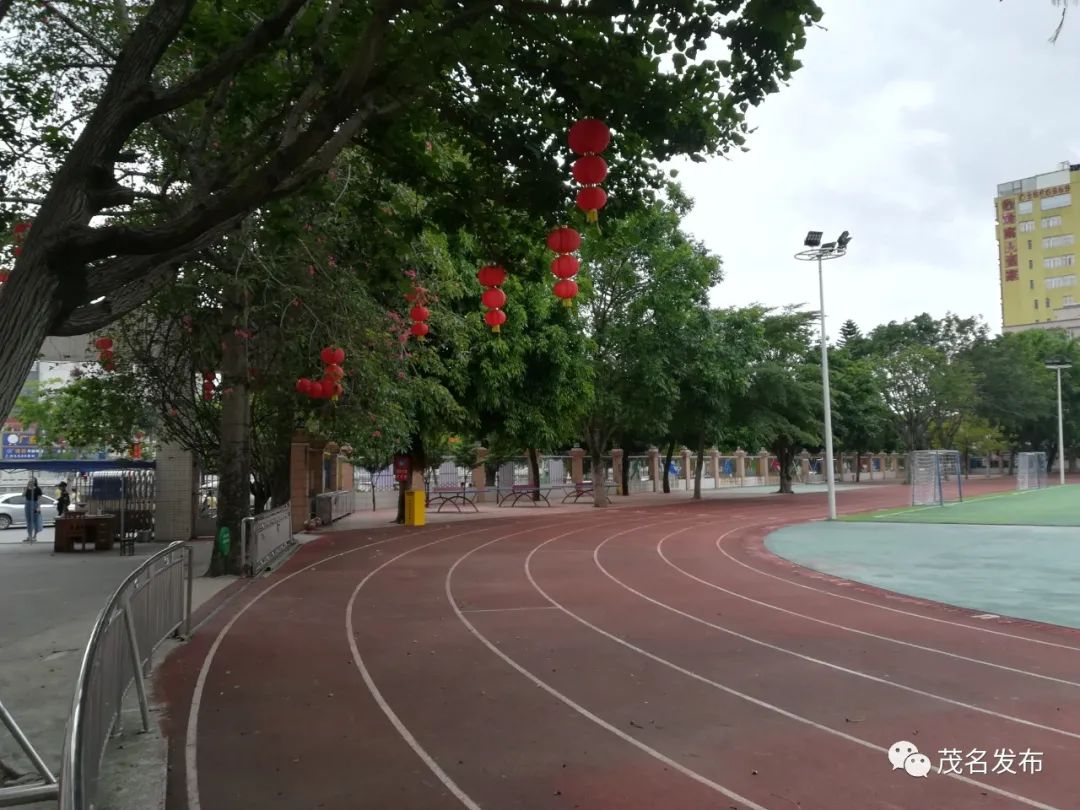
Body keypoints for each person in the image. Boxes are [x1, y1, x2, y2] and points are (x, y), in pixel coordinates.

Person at [23, 476, 42, 542]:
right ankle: (29, 536)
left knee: (35, 521)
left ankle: (34, 536)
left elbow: (39, 499)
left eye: (32, 480)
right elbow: (23, 495)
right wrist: (26, 487)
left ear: (35, 481)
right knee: (28, 521)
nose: (31, 481)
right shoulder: (27, 488)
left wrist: (38, 507)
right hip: (27, 505)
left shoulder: (38, 489)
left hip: (35, 504)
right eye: (30, 480)